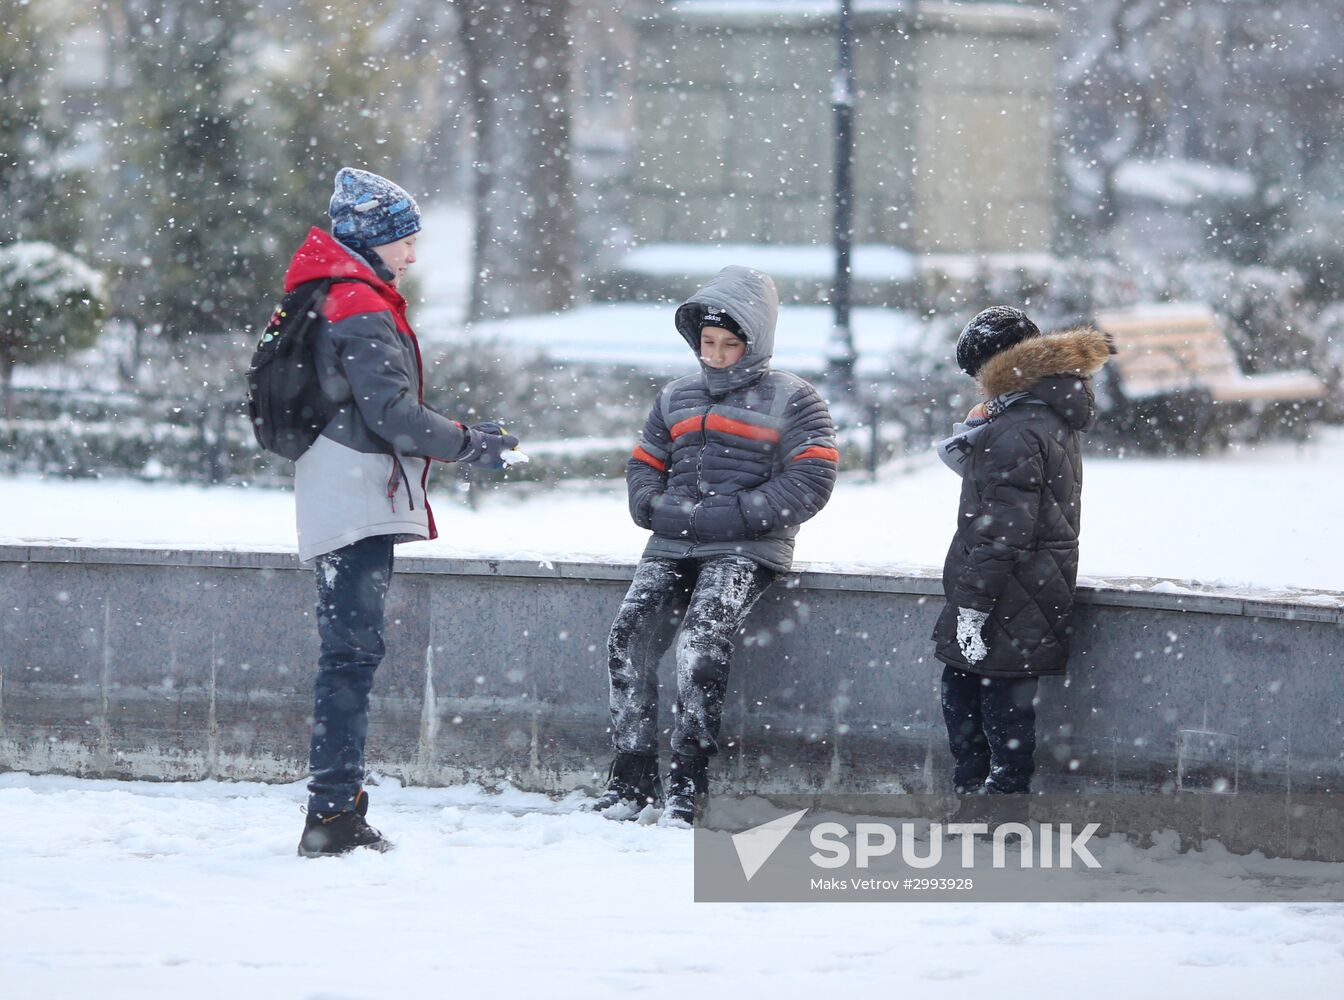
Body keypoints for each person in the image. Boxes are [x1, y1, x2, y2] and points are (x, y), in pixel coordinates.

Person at [290, 167, 518, 857]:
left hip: (341, 485)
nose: (413, 255)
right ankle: (332, 816)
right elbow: (392, 414)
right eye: (404, 241)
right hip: (355, 495)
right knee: (350, 658)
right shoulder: (356, 301)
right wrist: (468, 443)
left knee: (349, 655)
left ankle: (335, 809)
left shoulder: (333, 291)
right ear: (372, 240)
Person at [595, 265, 839, 827]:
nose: (718, 355)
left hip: (746, 550)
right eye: (708, 342)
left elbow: (811, 480)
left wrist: (733, 516)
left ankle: (689, 782)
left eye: (731, 344)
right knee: (627, 641)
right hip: (671, 543)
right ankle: (631, 778)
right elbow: (643, 466)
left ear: (756, 341)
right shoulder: (675, 396)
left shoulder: (794, 399)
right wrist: (653, 508)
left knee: (700, 646)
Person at [932, 306, 1113, 797]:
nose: (976, 387)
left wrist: (972, 607)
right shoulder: (1043, 416)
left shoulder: (1015, 430)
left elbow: (1002, 531)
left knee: (977, 706)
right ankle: (991, 807)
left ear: (996, 368)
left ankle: (988, 811)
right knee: (1000, 705)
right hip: (1030, 587)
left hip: (1004, 594)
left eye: (977, 375)